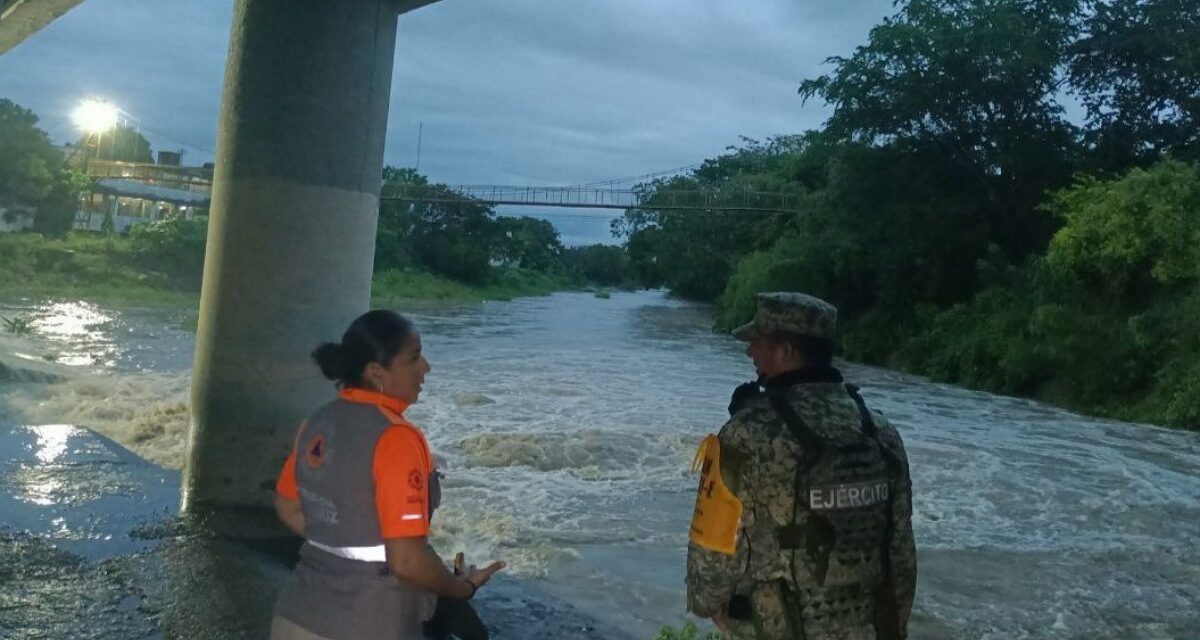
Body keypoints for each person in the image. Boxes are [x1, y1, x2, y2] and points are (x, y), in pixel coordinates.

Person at [686, 292, 916, 639]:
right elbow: (901, 556)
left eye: (758, 343)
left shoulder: (746, 433)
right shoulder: (881, 432)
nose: (750, 352)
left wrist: (710, 603)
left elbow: (712, 559)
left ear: (786, 352)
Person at [270, 309, 505, 640]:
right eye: (415, 358)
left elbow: (288, 505)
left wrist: (342, 542)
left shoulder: (318, 421)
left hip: (296, 614)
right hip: (367, 621)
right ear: (376, 372)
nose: (426, 368)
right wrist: (461, 587)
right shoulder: (397, 438)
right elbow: (407, 563)